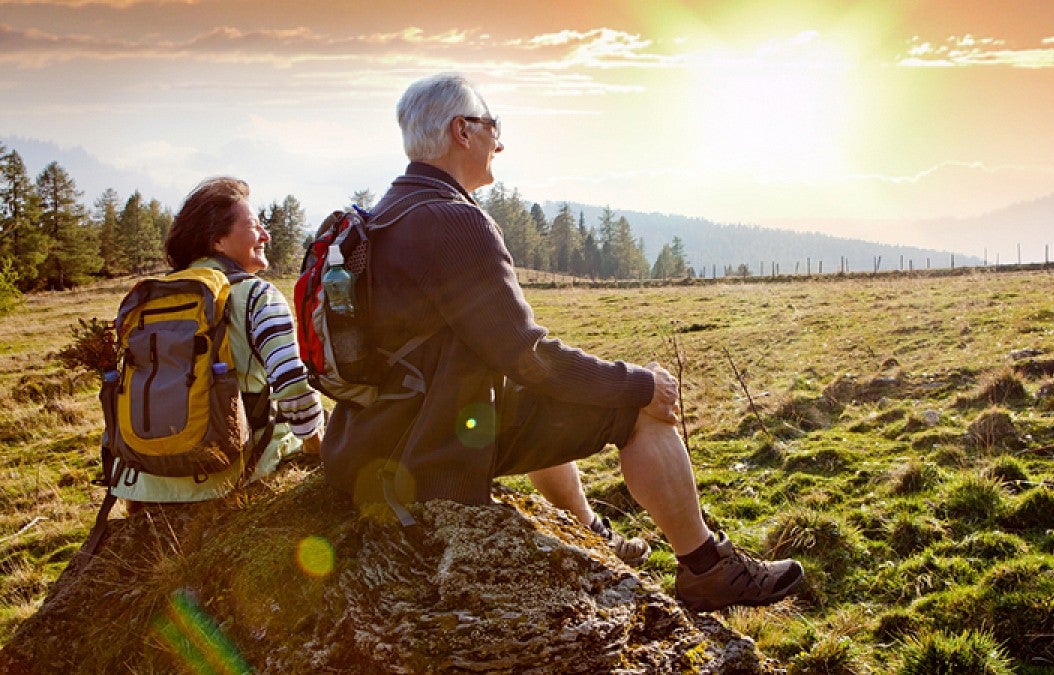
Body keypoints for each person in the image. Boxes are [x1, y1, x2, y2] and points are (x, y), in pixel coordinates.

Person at [320, 73, 803, 612]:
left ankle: (593, 532)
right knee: (639, 413)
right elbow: (528, 358)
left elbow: (496, 355)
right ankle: (707, 569)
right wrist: (639, 384)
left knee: (540, 399)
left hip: (368, 442)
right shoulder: (454, 221)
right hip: (423, 455)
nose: (498, 141)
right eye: (491, 125)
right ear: (462, 131)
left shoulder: (385, 214)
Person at [111, 177, 325, 504]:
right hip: (226, 474)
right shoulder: (258, 295)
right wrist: (319, 451)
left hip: (147, 481)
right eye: (253, 226)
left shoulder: (153, 299)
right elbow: (292, 389)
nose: (265, 235)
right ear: (218, 242)